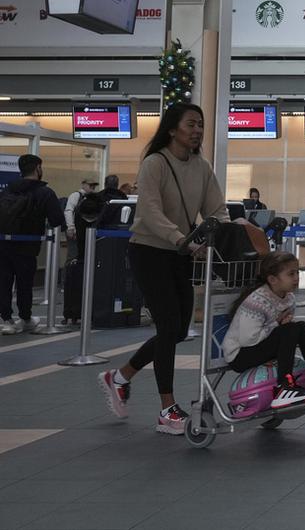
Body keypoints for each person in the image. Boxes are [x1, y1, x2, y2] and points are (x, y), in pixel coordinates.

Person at [97, 103, 228, 435]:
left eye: (200, 124)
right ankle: (167, 410)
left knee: (179, 330)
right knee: (169, 326)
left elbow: (217, 208)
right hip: (149, 250)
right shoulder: (154, 164)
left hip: (180, 253)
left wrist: (226, 232)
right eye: (191, 124)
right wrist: (182, 239)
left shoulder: (201, 167)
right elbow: (151, 212)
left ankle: (120, 376)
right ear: (172, 129)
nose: (197, 130)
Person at [220, 251, 305, 409]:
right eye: (291, 274)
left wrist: (281, 327)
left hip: (261, 346)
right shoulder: (257, 301)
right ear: (273, 280)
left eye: (297, 272)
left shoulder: (289, 298)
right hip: (240, 355)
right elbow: (248, 340)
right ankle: (284, 387)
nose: (297, 278)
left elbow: (282, 334)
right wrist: (277, 324)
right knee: (290, 329)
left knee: (300, 327)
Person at [0, 154, 66, 334]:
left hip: (3, 243)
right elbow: (57, 221)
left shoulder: (7, 190)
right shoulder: (44, 192)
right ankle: (26, 318)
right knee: (24, 282)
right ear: (38, 168)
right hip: (28, 246)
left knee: (4, 281)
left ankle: (6, 320)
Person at [63, 177, 98, 245]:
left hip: (85, 231)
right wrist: (71, 228)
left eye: (94, 185)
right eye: (90, 185)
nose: (93, 187)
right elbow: (69, 211)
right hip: (75, 231)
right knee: (73, 253)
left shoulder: (92, 197)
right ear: (83, 185)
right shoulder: (76, 195)